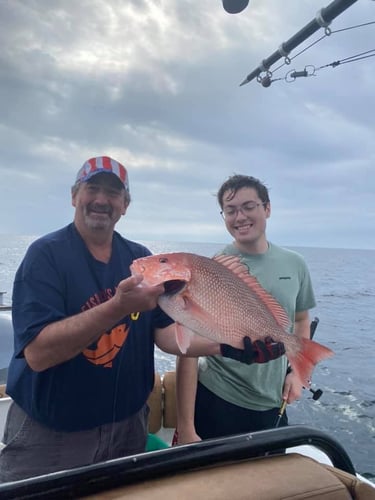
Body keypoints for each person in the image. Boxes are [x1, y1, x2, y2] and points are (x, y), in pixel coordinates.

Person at [0, 158, 284, 482]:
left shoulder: (139, 259)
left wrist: (229, 348)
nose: (102, 200)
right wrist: (118, 306)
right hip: (53, 435)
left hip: (128, 428)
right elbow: (38, 354)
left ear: (125, 204)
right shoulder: (45, 256)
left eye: (113, 192)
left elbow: (165, 336)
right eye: (93, 188)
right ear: (74, 195)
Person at [175, 174, 316, 445]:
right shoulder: (210, 269)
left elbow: (301, 320)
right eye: (230, 210)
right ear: (223, 216)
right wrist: (186, 427)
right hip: (218, 396)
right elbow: (187, 349)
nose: (240, 217)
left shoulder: (295, 264)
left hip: (271, 403)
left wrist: (297, 375)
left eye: (249, 206)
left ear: (267, 208)